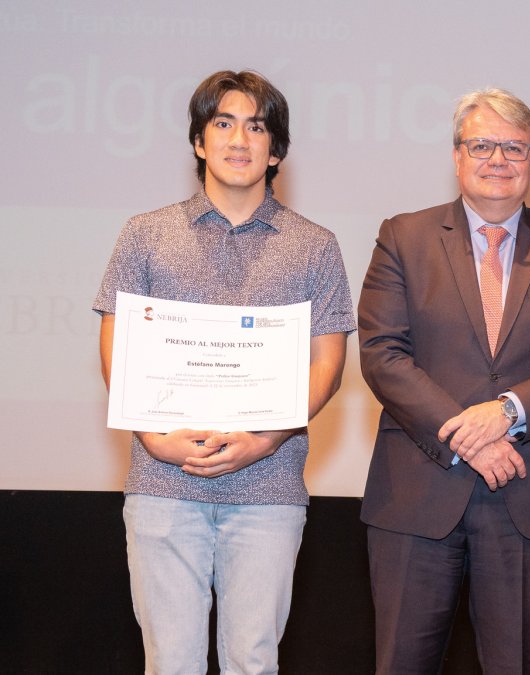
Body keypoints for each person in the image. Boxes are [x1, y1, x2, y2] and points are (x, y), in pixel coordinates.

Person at [94, 70, 355, 673]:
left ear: (276, 149)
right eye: (224, 123)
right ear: (199, 141)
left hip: (269, 487)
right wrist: (155, 438)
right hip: (164, 483)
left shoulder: (315, 245)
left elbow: (328, 362)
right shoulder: (145, 234)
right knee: (170, 663)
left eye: (257, 127)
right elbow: (117, 343)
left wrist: (265, 438)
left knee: (253, 662)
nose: (240, 140)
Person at [357, 88, 530, 674]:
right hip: (417, 494)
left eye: (514, 148)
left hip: (529, 493)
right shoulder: (403, 237)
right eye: (481, 146)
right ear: (457, 156)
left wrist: (506, 411)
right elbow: (382, 353)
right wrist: (465, 435)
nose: (498, 159)